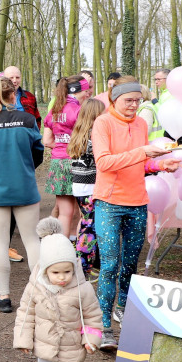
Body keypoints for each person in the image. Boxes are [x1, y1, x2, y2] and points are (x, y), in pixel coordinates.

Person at [92, 79, 180, 351]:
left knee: (131, 264)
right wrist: (143, 151)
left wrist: (161, 164)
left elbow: (141, 163)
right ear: (114, 99)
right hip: (108, 202)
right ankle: (103, 325)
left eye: (137, 100)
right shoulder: (103, 123)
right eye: (128, 100)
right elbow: (104, 162)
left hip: (138, 202)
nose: (133, 105)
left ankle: (122, 310)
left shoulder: (141, 125)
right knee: (109, 264)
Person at [14, 218, 102, 362]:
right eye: (56, 272)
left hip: (72, 347)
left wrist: (91, 338)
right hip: (45, 344)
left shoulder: (82, 289)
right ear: (45, 270)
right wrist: (24, 339)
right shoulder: (36, 286)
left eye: (67, 271)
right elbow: (26, 312)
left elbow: (93, 315)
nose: (62, 277)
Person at [0, 76, 44, 311]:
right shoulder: (28, 120)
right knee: (32, 240)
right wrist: (24, 168)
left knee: (0, 244)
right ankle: (41, 294)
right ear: (14, 95)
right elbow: (38, 152)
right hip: (24, 186)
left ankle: (4, 297)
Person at [43, 75, 89, 238]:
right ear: (77, 91)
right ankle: (79, 251)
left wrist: (63, 145)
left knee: (64, 212)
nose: (88, 94)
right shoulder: (80, 111)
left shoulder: (54, 109)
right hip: (78, 164)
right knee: (85, 213)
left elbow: (47, 140)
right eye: (86, 90)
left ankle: (60, 250)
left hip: (58, 163)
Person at [67, 98, 106, 277]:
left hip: (78, 185)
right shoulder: (93, 136)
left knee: (86, 221)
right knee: (90, 225)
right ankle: (84, 263)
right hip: (90, 186)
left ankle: (87, 260)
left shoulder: (77, 133)